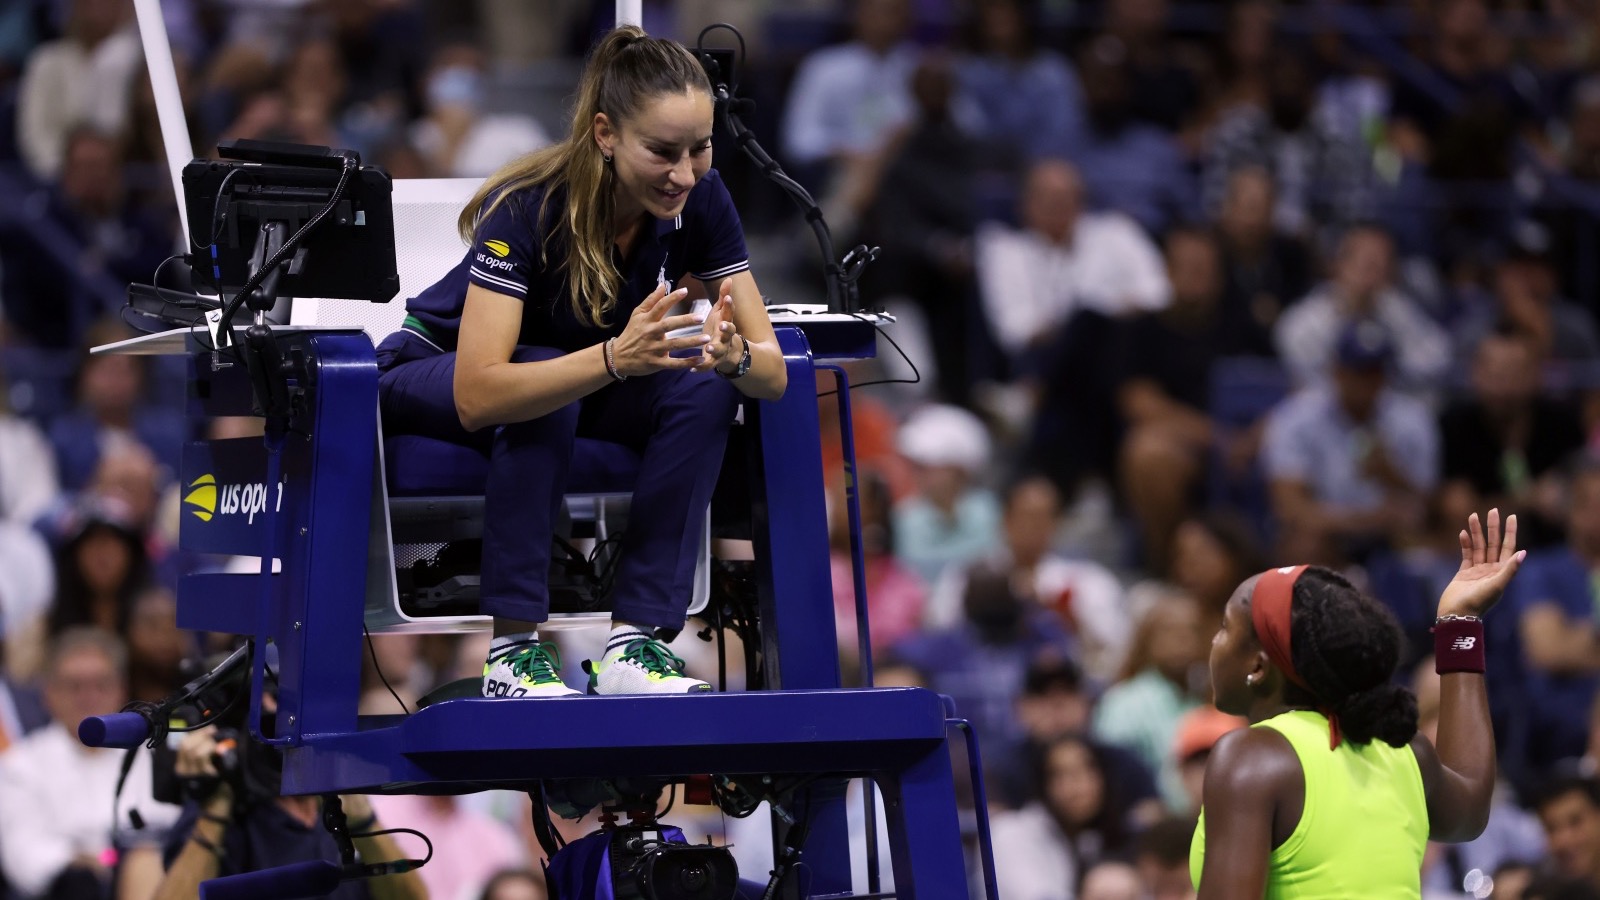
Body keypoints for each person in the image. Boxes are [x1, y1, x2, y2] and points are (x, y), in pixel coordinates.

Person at [375, 24, 785, 699]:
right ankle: (511, 654)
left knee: (704, 384)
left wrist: (732, 354)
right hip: (430, 372)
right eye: (662, 152)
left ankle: (635, 645)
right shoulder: (528, 207)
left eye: (700, 148)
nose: (684, 173)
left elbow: (772, 374)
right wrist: (615, 358)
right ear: (605, 134)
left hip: (577, 377)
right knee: (545, 379)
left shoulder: (703, 200)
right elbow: (479, 393)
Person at [1191, 509, 1524, 897]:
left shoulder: (1251, 757)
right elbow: (1469, 813)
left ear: (1258, 666)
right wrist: (1460, 623)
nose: (1214, 642)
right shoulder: (1403, 748)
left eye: (1225, 628)